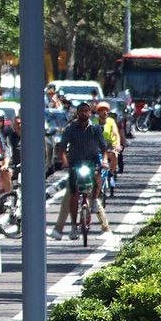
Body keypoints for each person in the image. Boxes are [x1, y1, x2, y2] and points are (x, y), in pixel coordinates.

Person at [49, 101, 111, 240]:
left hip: (92, 163)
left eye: (86, 111)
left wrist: (104, 161)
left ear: (90, 113)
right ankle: (71, 227)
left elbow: (104, 148)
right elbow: (62, 147)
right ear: (77, 113)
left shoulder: (95, 129)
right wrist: (64, 161)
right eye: (81, 111)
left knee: (96, 184)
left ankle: (105, 227)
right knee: (72, 194)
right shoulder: (71, 129)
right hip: (76, 165)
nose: (84, 113)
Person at [96, 101, 121, 191]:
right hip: (96, 146)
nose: (104, 112)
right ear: (98, 112)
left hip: (108, 145)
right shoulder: (94, 122)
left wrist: (117, 145)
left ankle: (111, 173)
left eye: (106, 110)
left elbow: (115, 134)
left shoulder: (111, 121)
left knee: (114, 155)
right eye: (102, 110)